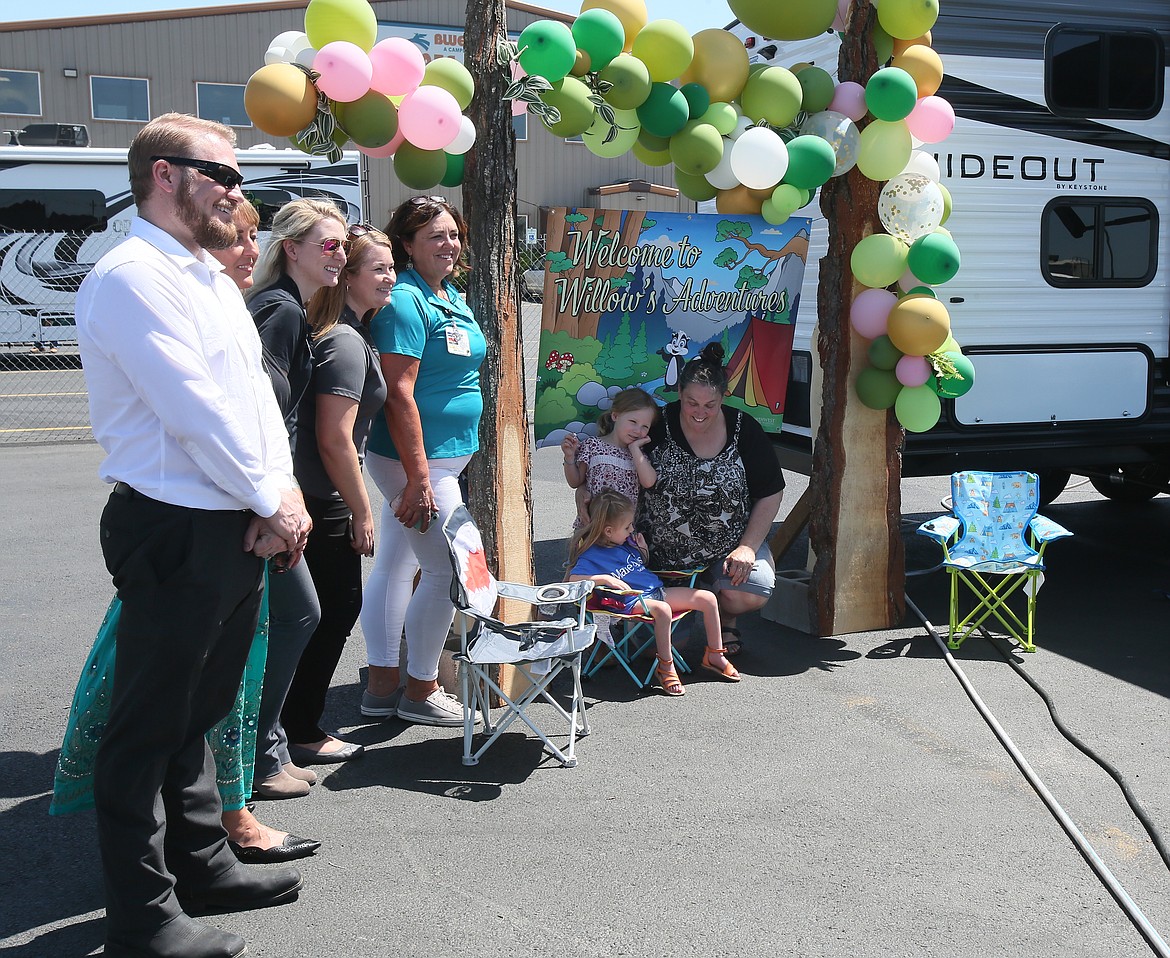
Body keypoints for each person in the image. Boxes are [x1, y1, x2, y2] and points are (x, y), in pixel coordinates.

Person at [74, 112, 309, 958]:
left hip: (233, 521)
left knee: (203, 707)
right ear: (165, 176)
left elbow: (254, 402)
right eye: (223, 175)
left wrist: (274, 492)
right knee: (146, 725)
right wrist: (272, 501)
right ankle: (141, 918)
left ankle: (201, 862)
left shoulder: (204, 275)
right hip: (175, 524)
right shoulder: (134, 276)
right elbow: (194, 413)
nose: (238, 194)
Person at [359, 194, 487, 726]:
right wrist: (418, 478)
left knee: (397, 564)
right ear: (406, 245)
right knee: (446, 571)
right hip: (419, 464)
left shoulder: (448, 295)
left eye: (453, 234)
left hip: (437, 463)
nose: (449, 244)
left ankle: (381, 685)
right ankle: (421, 689)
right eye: (435, 236)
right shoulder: (407, 301)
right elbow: (399, 392)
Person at [245, 199, 362, 770]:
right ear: (291, 248)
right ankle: (260, 754)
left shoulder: (288, 306)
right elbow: (264, 414)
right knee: (297, 618)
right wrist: (274, 505)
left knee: (292, 618)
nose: (340, 253)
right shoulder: (282, 311)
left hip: (271, 497)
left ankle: (262, 751)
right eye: (329, 244)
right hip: (264, 501)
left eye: (343, 244)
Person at [281, 226, 392, 753]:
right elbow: (333, 439)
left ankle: (293, 725)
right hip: (321, 498)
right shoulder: (345, 341)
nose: (389, 277)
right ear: (347, 277)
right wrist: (361, 509)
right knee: (331, 612)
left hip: (316, 495)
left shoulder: (346, 331)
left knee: (322, 612)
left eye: (391, 266)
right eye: (378, 268)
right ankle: (300, 729)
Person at [637, 342, 785, 657]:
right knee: (652, 652)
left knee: (754, 589)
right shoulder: (657, 425)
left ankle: (724, 616)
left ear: (723, 398)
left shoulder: (744, 428)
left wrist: (747, 547)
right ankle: (687, 606)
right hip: (663, 559)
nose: (700, 413)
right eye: (692, 403)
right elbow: (620, 474)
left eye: (710, 404)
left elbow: (771, 491)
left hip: (726, 549)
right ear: (678, 393)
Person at [568, 488, 740, 696]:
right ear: (608, 531)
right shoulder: (592, 554)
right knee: (663, 610)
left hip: (655, 591)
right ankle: (665, 666)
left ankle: (714, 655)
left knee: (707, 598)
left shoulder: (624, 543)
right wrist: (605, 579)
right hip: (630, 601)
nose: (631, 530)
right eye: (627, 527)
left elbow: (639, 568)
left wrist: (642, 551)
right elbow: (573, 579)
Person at [561, 387, 658, 527]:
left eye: (645, 426)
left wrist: (635, 449)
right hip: (592, 527)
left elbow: (649, 482)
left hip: (623, 532)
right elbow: (575, 481)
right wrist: (569, 458)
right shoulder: (593, 445)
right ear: (615, 416)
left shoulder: (639, 455)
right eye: (633, 422)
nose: (638, 430)